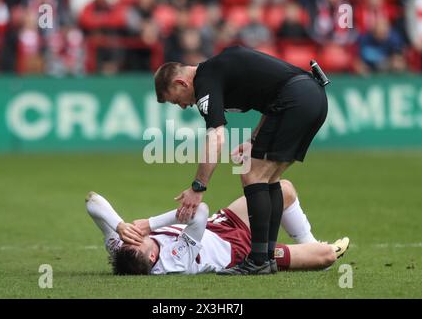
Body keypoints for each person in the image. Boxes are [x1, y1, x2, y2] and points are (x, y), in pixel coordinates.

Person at [153, 45, 329, 274]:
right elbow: (273, 97)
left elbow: (216, 137)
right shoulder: (215, 71)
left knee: (251, 174)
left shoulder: (205, 81)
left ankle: (259, 260)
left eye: (177, 101)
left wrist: (198, 187)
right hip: (311, 97)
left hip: (296, 99)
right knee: (268, 178)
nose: (184, 106)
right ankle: (266, 256)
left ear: (181, 83)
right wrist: (254, 139)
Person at [85, 179, 349, 275]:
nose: (133, 237)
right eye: (136, 240)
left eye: (128, 240)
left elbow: (92, 202)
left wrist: (118, 226)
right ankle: (310, 247)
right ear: (153, 257)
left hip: (221, 224)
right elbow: (199, 210)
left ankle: (307, 241)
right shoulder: (174, 260)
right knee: (325, 257)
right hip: (237, 252)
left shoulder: (121, 249)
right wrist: (151, 224)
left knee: (283, 190)